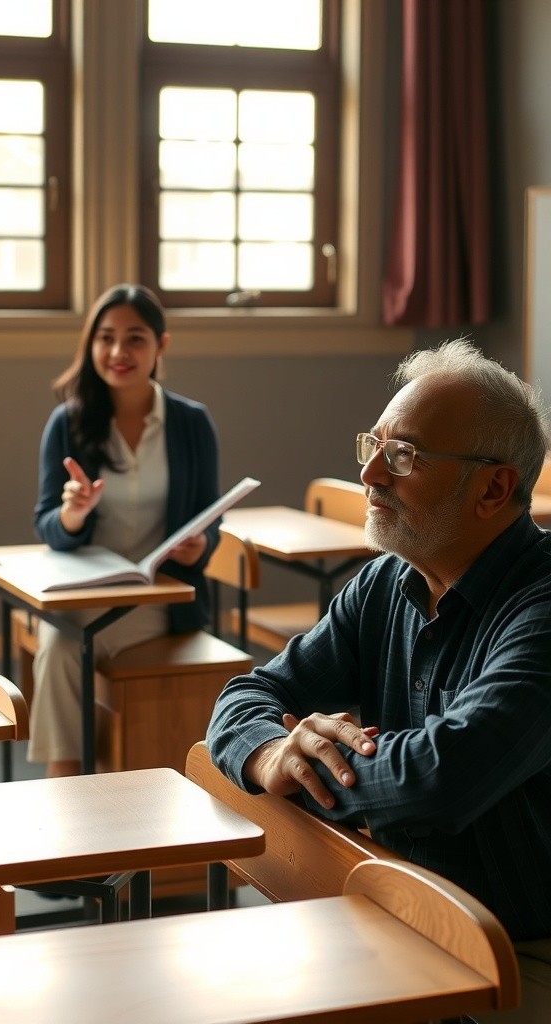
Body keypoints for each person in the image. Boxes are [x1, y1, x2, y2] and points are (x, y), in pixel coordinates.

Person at [207, 339, 551, 1024]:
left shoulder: (539, 606)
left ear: (492, 489)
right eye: (374, 445)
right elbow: (246, 697)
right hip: (396, 911)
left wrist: (307, 766)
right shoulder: (386, 583)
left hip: (517, 952)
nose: (368, 473)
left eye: (403, 456)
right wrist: (270, 752)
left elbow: (442, 778)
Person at [28, 283, 220, 779]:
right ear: (90, 344)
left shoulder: (191, 423)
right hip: (82, 593)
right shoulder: (68, 423)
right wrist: (72, 514)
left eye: (135, 338)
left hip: (158, 599)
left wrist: (200, 545)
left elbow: (210, 516)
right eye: (106, 338)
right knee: (61, 646)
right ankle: (65, 779)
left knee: (72, 649)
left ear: (161, 345)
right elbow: (48, 524)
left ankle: (98, 784)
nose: (118, 352)